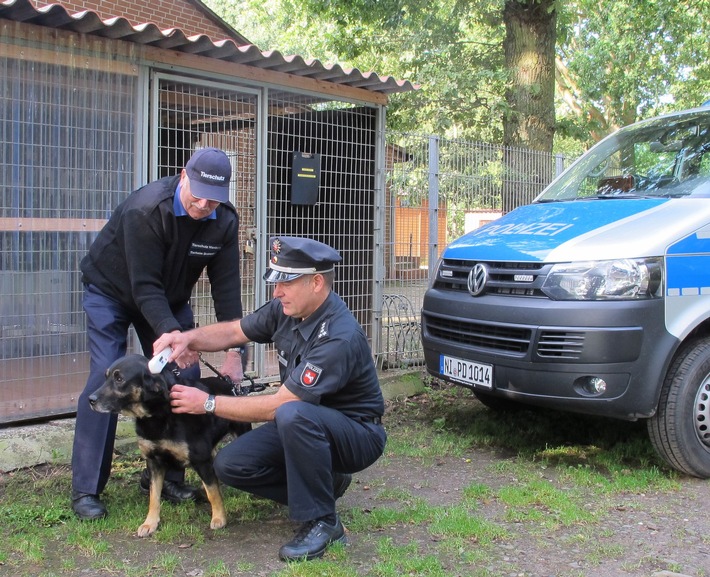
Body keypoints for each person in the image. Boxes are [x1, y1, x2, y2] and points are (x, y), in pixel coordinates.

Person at [154, 236, 386, 561]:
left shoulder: (338, 336)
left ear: (317, 282)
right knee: (231, 465)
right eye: (277, 282)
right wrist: (187, 338)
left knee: (291, 412)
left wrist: (207, 403)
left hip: (357, 434)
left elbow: (280, 406)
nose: (277, 292)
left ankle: (322, 520)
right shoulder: (286, 310)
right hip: (307, 425)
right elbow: (235, 331)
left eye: (286, 282)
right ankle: (325, 486)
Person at [71, 147, 245, 520]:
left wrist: (234, 355)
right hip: (112, 290)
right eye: (197, 195)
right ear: (183, 175)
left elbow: (227, 290)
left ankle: (168, 473)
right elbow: (144, 285)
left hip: (168, 296)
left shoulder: (224, 222)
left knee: (187, 374)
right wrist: (174, 335)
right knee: (107, 374)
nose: (202, 205)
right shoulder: (146, 210)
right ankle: (86, 489)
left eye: (213, 200)